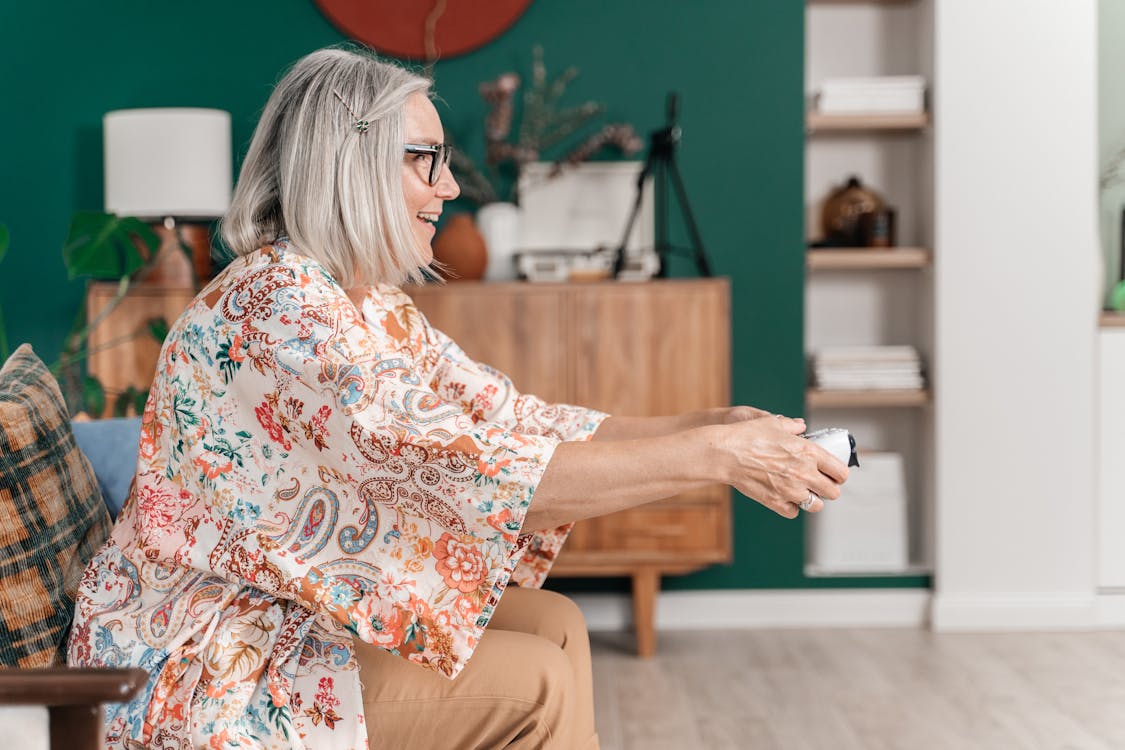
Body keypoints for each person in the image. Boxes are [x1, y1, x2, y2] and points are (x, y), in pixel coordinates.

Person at [68, 46, 849, 750]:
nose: (447, 186)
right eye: (424, 160)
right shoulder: (277, 312)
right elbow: (467, 473)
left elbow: (513, 425)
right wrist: (714, 457)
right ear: (350, 164)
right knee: (534, 688)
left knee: (554, 622)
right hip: (201, 660)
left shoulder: (360, 300)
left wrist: (705, 424)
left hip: (287, 613)